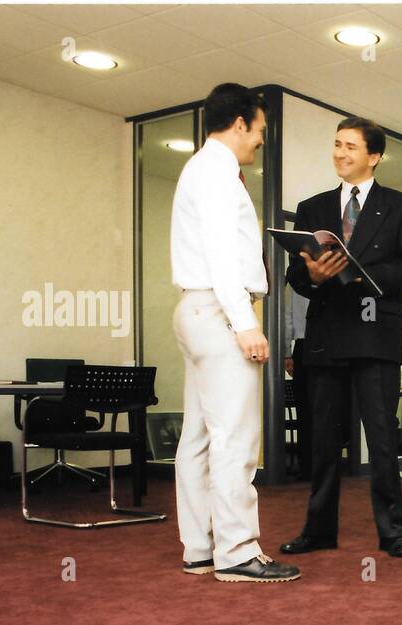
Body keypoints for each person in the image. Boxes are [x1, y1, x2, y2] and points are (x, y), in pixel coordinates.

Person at [280, 117, 402, 559]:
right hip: (325, 337)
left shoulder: (401, 207)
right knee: (322, 439)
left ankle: (391, 533)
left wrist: (362, 276)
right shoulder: (313, 207)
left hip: (375, 335)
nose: (340, 153)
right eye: (337, 145)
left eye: (350, 147)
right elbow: (295, 276)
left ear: (374, 156)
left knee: (381, 439)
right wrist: (311, 273)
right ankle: (318, 530)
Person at [170, 83, 299, 583]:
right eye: (260, 130)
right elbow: (223, 254)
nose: (261, 140)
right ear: (241, 122)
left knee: (200, 437)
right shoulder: (218, 172)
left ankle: (200, 547)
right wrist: (245, 323)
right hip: (221, 311)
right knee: (235, 438)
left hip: (197, 310)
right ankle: (238, 551)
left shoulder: (199, 168)